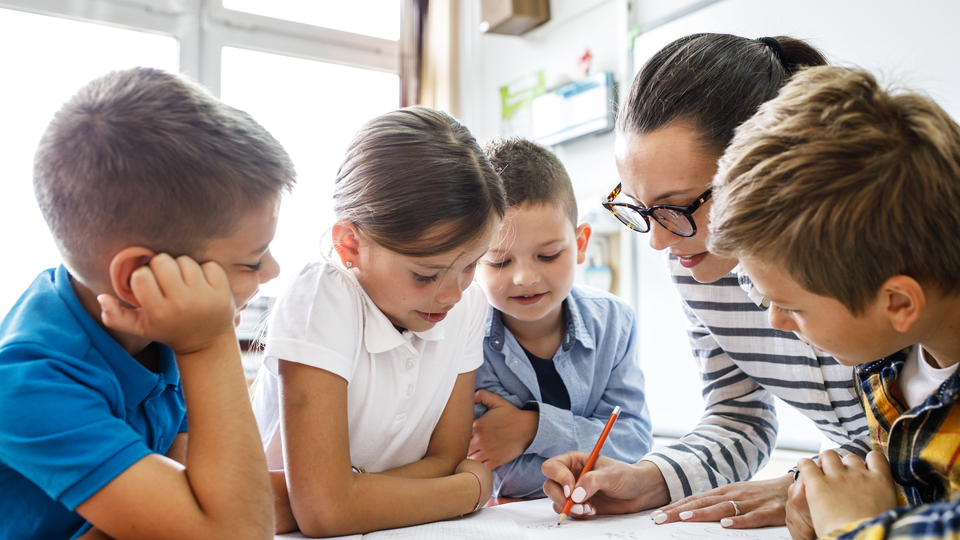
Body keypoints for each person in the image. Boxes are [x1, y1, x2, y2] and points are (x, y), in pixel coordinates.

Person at [541, 33, 871, 528]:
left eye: (676, 207)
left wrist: (805, 483)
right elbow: (739, 416)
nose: (658, 241)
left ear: (762, 169)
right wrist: (647, 479)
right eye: (640, 208)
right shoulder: (695, 263)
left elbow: (931, 426)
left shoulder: (878, 250)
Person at [0, 67, 295, 540]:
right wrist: (208, 345)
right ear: (139, 277)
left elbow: (202, 495)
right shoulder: (28, 381)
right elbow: (239, 532)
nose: (273, 271)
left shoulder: (158, 325)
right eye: (251, 261)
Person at [709, 65, 960, 540]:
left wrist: (854, 527)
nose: (776, 321)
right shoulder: (887, 362)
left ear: (898, 303)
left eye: (792, 306)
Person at [250, 106, 505, 537]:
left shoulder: (468, 305)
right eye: (425, 275)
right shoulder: (323, 295)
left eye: (470, 266)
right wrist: (470, 491)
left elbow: (446, 459)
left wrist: (343, 495)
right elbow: (324, 513)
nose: (452, 293)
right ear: (350, 244)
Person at [469, 137, 653, 499]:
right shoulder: (466, 336)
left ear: (581, 244)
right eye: (500, 261)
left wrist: (535, 429)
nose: (525, 278)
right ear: (472, 258)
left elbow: (633, 441)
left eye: (549, 255)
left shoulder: (614, 322)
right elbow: (493, 469)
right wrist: (586, 452)